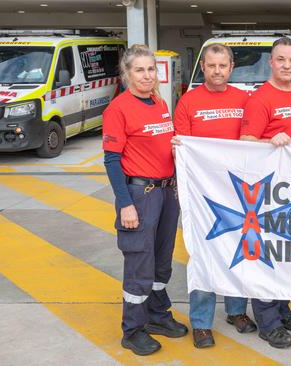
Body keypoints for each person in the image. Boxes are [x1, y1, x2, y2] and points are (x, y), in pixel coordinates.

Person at [102, 44, 188, 356]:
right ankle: (133, 329)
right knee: (140, 262)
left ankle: (157, 316)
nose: (146, 75)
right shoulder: (118, 109)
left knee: (162, 259)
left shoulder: (159, 102)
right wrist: (125, 203)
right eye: (139, 70)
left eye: (151, 69)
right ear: (126, 75)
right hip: (140, 194)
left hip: (166, 191)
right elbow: (112, 161)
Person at [172, 43, 257, 349]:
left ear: (231, 68)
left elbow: (252, 141)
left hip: (238, 193)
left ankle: (237, 311)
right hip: (202, 195)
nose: (217, 71)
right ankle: (202, 322)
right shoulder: (188, 102)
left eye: (223, 66)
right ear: (203, 68)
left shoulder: (245, 100)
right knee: (205, 256)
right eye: (211, 66)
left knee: (239, 253)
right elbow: (182, 147)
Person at [240, 37, 291, 349]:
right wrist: (271, 141)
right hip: (265, 191)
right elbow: (245, 142)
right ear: (271, 62)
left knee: (284, 255)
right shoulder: (259, 99)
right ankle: (268, 323)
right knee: (265, 258)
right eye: (281, 59)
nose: (286, 65)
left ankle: (283, 311)